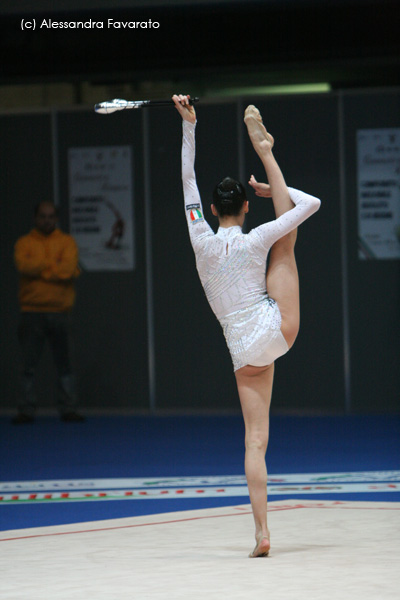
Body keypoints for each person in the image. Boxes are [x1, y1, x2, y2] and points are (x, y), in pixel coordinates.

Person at [172, 94, 321, 557]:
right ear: (244, 208)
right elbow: (311, 203)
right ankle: (266, 153)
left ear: (213, 212)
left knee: (255, 443)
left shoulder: (200, 238)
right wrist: (270, 193)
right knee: (288, 240)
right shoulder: (257, 237)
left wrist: (189, 127)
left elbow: (188, 183)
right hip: (278, 327)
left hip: (243, 351)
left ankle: (261, 533)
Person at [12, 201, 84, 423]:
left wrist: (41, 267)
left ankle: (68, 408)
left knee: (66, 364)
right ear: (36, 218)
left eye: (51, 216)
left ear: (56, 219)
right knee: (27, 365)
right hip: (31, 312)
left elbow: (68, 270)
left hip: (61, 312)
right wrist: (54, 264)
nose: (47, 220)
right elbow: (24, 266)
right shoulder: (24, 243)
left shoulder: (67, 242)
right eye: (42, 216)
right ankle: (26, 410)